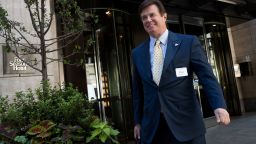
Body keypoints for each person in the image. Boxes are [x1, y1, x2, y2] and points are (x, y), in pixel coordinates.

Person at [131, 0, 230, 144]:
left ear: (164, 16)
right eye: (144, 17)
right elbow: (138, 92)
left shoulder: (188, 43)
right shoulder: (137, 53)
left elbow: (207, 77)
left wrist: (219, 105)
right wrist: (138, 122)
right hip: (153, 129)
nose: (148, 20)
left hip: (187, 125)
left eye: (152, 15)